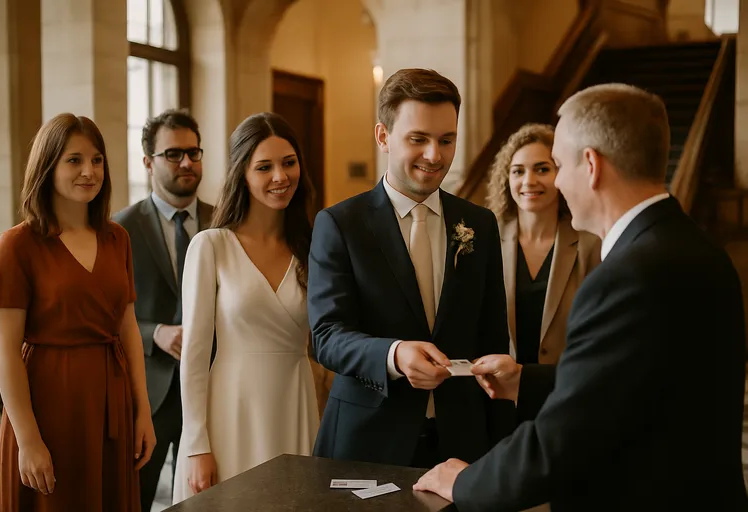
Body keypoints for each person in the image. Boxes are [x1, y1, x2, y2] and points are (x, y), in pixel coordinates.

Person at [414, 83, 748, 511]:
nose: (557, 181)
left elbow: (561, 442)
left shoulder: (626, 275)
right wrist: (525, 381)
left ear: (590, 165)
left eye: (556, 165)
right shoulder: (701, 250)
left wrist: (465, 482)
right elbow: (640, 382)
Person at [308, 68, 509, 469]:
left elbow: (492, 336)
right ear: (383, 136)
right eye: (418, 139)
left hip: (463, 440)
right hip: (369, 439)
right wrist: (394, 354)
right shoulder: (340, 224)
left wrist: (499, 441)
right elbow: (326, 336)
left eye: (446, 140)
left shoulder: (479, 224)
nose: (435, 155)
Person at [0, 113, 155, 511]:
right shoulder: (17, 245)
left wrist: (142, 411)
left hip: (110, 400)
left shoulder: (118, 238)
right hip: (47, 400)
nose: (89, 171)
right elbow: (5, 352)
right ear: (48, 166)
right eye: (74, 160)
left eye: (97, 160)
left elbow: (128, 328)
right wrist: (28, 440)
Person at [172, 112, 320, 502]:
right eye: (264, 167)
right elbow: (195, 353)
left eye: (289, 163)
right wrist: (195, 443)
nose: (280, 177)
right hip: (230, 410)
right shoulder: (211, 246)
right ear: (242, 173)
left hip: (295, 401)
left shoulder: (313, 248)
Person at [114, 109, 214, 512]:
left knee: (208, 499)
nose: (187, 162)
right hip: (148, 395)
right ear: (147, 162)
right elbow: (104, 314)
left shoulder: (223, 220)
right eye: (173, 154)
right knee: (134, 499)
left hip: (211, 387)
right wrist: (154, 332)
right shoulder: (118, 229)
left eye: (193, 152)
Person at [487, 123, 600, 367]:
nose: (529, 181)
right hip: (498, 392)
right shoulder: (487, 239)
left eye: (542, 169)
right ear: (507, 180)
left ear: (562, 174)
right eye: (518, 171)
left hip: (566, 387)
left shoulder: (590, 243)